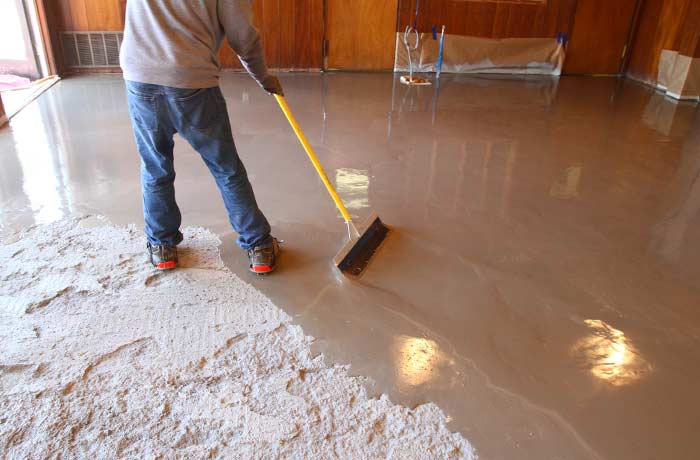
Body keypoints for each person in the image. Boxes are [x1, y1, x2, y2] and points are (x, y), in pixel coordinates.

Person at [119, 0, 282, 274]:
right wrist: (263, 77)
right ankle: (259, 247)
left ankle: (162, 247)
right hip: (190, 79)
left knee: (155, 166)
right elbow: (243, 36)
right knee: (226, 168)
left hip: (140, 76)